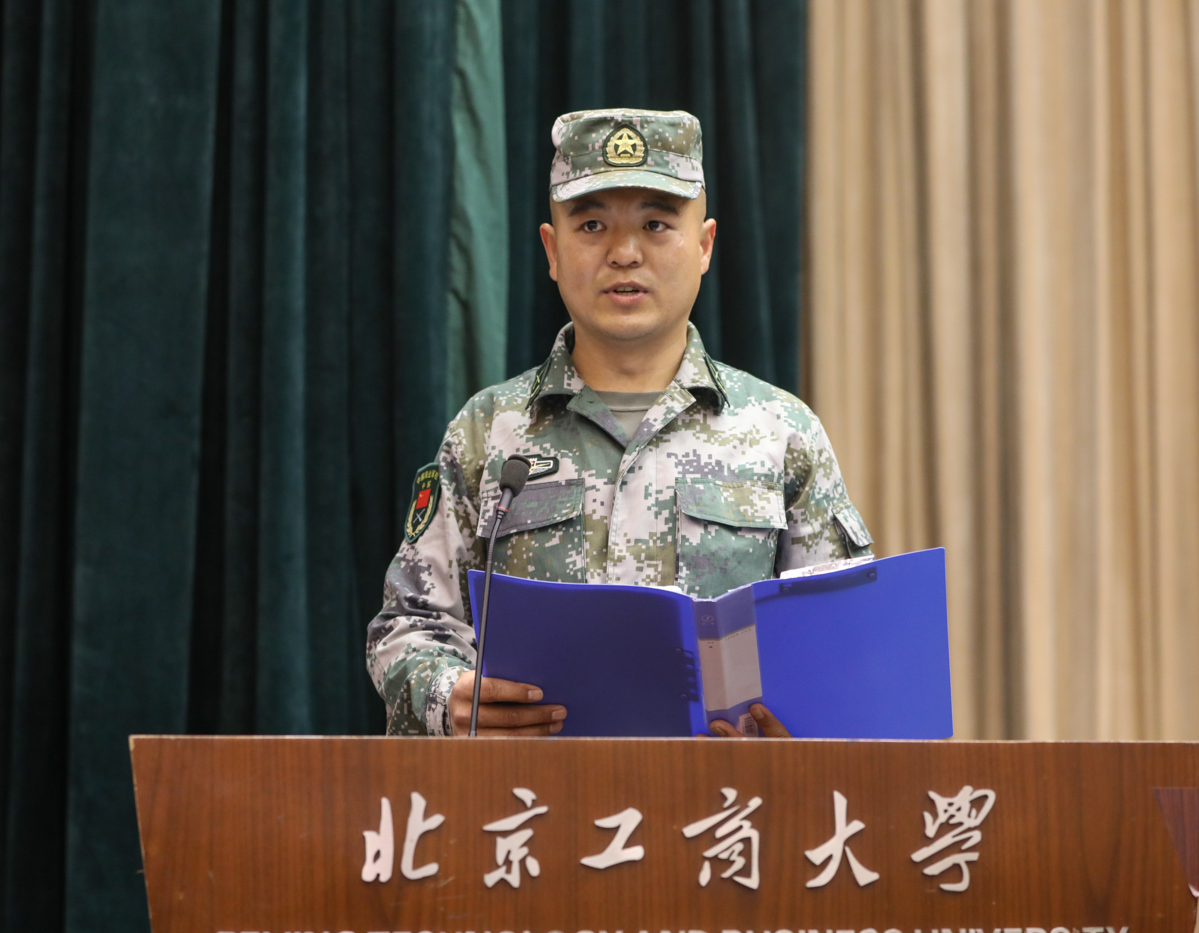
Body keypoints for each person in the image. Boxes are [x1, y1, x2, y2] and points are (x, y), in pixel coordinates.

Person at [366, 108, 873, 737]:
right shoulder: (487, 433)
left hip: (724, 796)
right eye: (592, 225)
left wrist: (800, 735)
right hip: (529, 794)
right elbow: (409, 625)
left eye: (656, 224)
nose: (625, 254)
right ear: (552, 250)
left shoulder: (782, 432)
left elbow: (844, 644)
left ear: (705, 245)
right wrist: (449, 697)